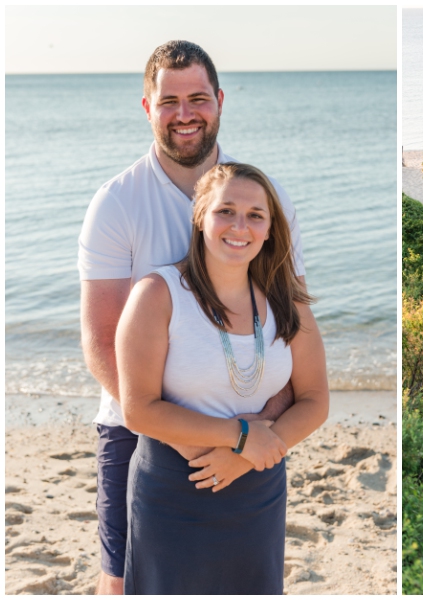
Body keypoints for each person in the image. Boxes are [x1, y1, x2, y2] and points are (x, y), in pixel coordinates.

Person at [78, 40, 309, 594]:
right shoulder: (117, 203)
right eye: (169, 101)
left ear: (220, 101)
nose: (185, 114)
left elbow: (287, 328)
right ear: (147, 108)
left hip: (251, 435)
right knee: (124, 583)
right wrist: (196, 443)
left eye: (198, 98)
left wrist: (258, 436)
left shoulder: (263, 200)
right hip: (140, 437)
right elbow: (102, 343)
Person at [116, 162, 328, 594]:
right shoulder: (158, 294)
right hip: (174, 489)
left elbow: (315, 399)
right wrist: (241, 435)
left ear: (270, 230)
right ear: (199, 217)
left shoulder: (288, 301)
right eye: (225, 211)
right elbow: (138, 409)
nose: (240, 226)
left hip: (259, 490)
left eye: (255, 215)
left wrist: (249, 453)